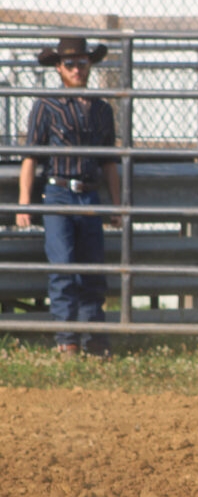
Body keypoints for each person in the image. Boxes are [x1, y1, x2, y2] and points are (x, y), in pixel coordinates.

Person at [16, 38, 121, 357]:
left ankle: (95, 339)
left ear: (90, 65)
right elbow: (31, 157)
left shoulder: (102, 109)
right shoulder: (45, 106)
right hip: (58, 193)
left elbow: (109, 162)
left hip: (89, 195)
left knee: (92, 269)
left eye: (82, 63)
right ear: (59, 68)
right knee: (62, 266)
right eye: (71, 64)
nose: (77, 69)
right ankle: (67, 341)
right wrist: (24, 201)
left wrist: (117, 205)